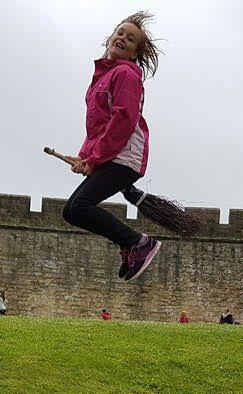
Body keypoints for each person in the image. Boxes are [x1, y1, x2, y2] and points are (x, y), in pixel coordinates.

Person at [62, 12, 162, 282]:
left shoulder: (125, 75)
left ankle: (138, 243)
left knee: (81, 207)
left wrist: (96, 158)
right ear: (110, 36)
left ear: (134, 53)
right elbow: (98, 124)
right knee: (70, 211)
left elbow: (124, 120)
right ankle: (129, 245)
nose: (123, 39)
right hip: (111, 154)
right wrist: (85, 157)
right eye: (120, 32)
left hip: (126, 156)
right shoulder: (102, 77)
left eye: (131, 39)